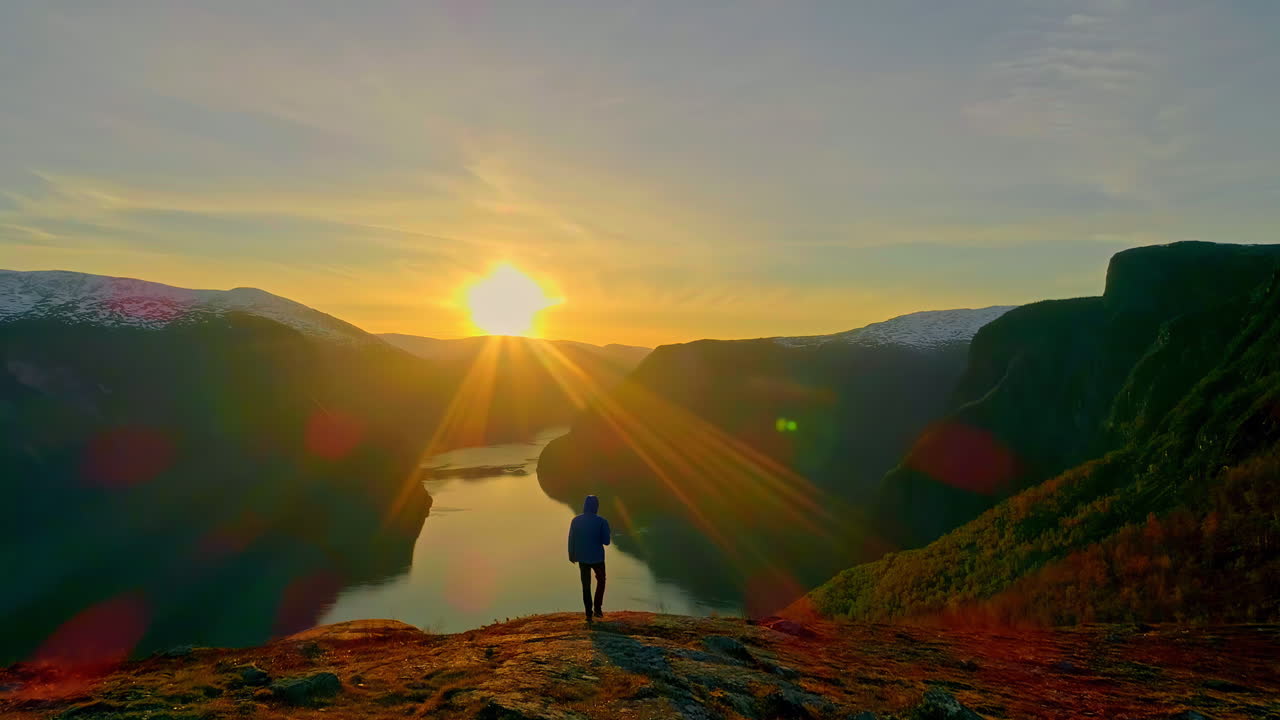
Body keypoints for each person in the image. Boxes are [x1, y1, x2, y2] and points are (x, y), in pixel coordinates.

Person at [567, 494, 611, 622]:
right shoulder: (602, 521)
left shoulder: (576, 520)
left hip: (582, 557)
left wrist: (572, 555)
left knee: (585, 585)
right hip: (597, 557)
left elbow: (571, 539)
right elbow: (606, 541)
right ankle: (598, 608)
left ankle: (588, 613)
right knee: (601, 581)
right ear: (596, 506)